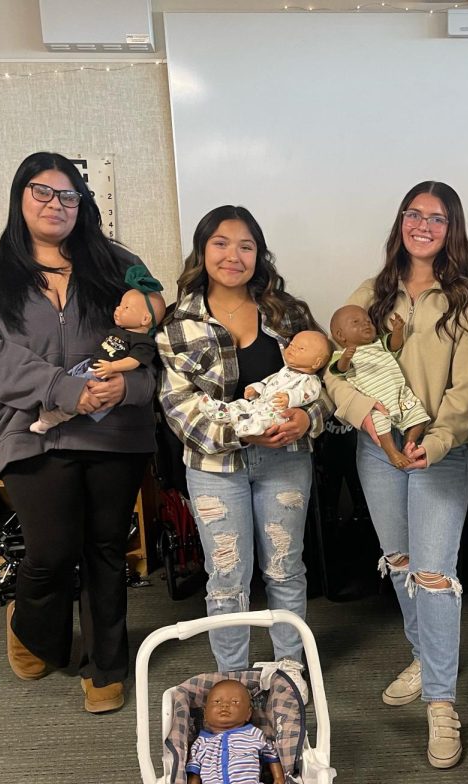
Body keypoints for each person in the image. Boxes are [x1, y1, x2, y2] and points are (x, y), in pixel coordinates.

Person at [0, 151, 160, 714]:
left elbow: (154, 348)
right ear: (20, 198)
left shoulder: (121, 266)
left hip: (115, 431)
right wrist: (63, 389)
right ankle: (33, 628)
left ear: (83, 204)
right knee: (51, 549)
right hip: (31, 430)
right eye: (42, 192)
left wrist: (130, 388)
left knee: (105, 550)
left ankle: (106, 665)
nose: (55, 204)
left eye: (68, 195)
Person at [324, 181, 468, 769]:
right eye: (413, 214)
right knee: (398, 561)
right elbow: (334, 371)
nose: (423, 225)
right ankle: (425, 656)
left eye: (437, 218)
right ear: (400, 222)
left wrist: (438, 438)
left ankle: (442, 703)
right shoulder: (371, 294)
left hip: (439, 453)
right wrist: (367, 418)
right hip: (377, 450)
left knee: (434, 573)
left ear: (452, 229)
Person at [158, 205, 331, 690]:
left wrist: (307, 420)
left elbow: (326, 384)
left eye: (246, 246)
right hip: (215, 466)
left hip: (285, 460)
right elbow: (177, 406)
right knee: (227, 576)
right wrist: (240, 433)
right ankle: (231, 677)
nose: (233, 255)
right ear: (203, 250)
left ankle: (289, 671)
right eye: (221, 243)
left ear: (259, 254)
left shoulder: (287, 312)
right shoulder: (178, 324)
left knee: (284, 567)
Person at [30, 267, 166, 434]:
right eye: (119, 305)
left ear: (145, 318)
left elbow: (134, 361)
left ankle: (50, 420)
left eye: (126, 308)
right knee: (69, 385)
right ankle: (50, 407)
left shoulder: (143, 342)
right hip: (91, 366)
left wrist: (113, 368)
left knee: (80, 401)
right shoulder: (120, 331)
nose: (117, 309)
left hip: (104, 376)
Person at [328, 304, 429, 469]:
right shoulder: (340, 355)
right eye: (356, 322)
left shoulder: (379, 343)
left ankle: (409, 443)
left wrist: (397, 331)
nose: (366, 324)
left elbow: (395, 346)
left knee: (419, 415)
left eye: (368, 321)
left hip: (399, 394)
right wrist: (346, 358)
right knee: (379, 424)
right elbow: (341, 370)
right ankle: (392, 452)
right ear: (340, 335)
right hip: (377, 403)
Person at [187, 679, 286, 784]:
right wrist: (193, 782)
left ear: (248, 714)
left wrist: (279, 775)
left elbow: (271, 753)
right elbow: (194, 764)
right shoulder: (201, 742)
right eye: (217, 701)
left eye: (234, 702)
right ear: (205, 714)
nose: (225, 705)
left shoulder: (254, 734)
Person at [199, 330, 330, 438]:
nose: (293, 348)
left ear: (317, 363)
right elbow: (268, 382)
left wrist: (290, 398)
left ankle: (248, 427)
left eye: (301, 348)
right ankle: (221, 411)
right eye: (291, 345)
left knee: (264, 419)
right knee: (243, 405)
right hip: (261, 403)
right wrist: (256, 388)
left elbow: (309, 394)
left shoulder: (311, 380)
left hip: (279, 412)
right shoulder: (284, 370)